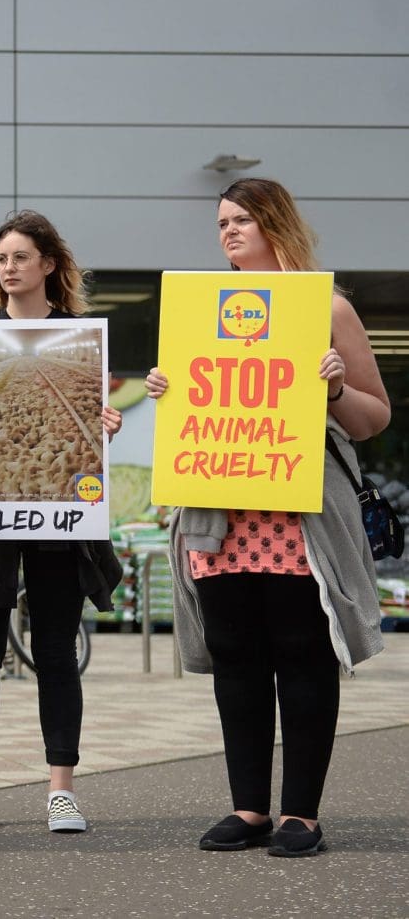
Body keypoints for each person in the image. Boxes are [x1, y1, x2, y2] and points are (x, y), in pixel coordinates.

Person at [144, 178, 390, 857]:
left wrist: (337, 387)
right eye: (221, 221)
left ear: (274, 223)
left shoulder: (326, 307)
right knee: (237, 659)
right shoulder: (200, 310)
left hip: (297, 513)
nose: (227, 232)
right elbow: (189, 409)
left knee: (303, 654)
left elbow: (375, 417)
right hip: (219, 510)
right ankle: (249, 806)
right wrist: (166, 391)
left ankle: (301, 814)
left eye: (241, 220)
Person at [0, 210, 123, 836]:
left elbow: (92, 430)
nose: (7, 269)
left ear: (48, 263)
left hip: (60, 514)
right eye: (0, 259)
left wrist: (105, 428)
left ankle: (61, 790)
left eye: (18, 257)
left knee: (56, 648)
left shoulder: (80, 335)